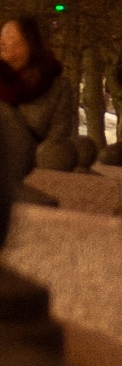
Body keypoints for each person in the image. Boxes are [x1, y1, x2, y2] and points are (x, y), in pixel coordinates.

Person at [0, 12, 78, 219]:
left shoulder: (56, 84)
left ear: (29, 43)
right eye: (3, 43)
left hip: (32, 160)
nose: (7, 49)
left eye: (13, 42)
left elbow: (60, 135)